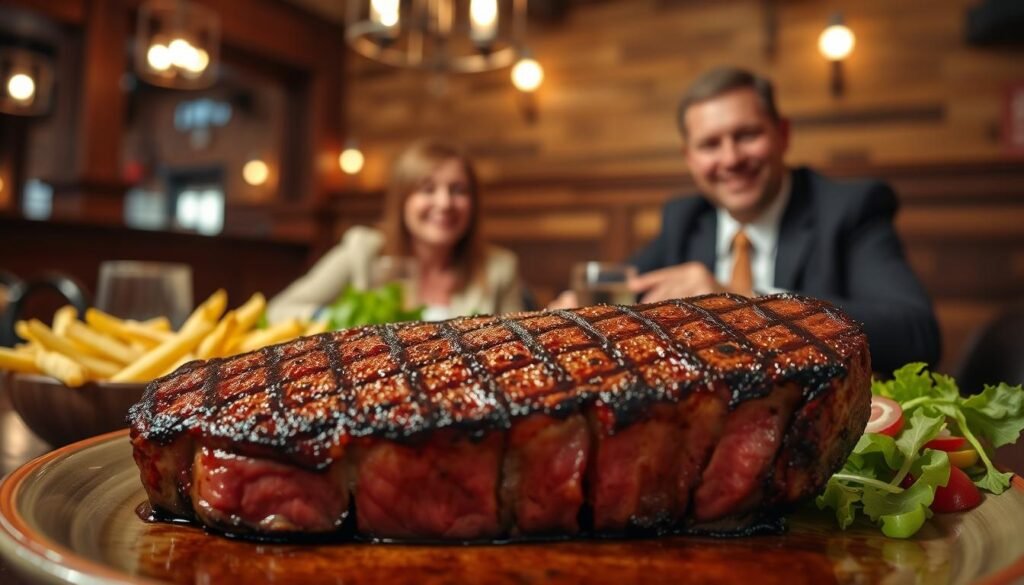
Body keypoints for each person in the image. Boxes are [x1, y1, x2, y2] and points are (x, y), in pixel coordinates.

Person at [553, 66, 940, 374]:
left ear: (783, 135)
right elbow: (628, 282)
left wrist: (739, 304)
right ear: (690, 159)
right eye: (710, 144)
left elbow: (915, 333)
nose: (731, 159)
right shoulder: (687, 219)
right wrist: (581, 305)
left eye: (747, 135)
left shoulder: (849, 209)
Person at [267, 139, 524, 323]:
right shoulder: (363, 249)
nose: (445, 203)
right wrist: (341, 321)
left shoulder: (499, 268)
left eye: (458, 190)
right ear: (403, 201)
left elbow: (518, 344)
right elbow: (279, 310)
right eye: (427, 189)